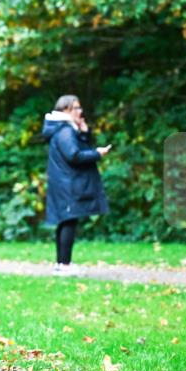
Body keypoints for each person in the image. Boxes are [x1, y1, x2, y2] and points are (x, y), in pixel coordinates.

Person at [41, 94, 111, 272]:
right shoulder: (65, 130)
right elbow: (74, 155)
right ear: (66, 110)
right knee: (68, 222)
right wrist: (97, 154)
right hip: (68, 183)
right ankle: (64, 265)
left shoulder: (62, 128)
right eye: (77, 108)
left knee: (65, 221)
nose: (81, 111)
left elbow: (78, 148)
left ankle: (61, 264)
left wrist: (85, 133)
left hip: (63, 182)